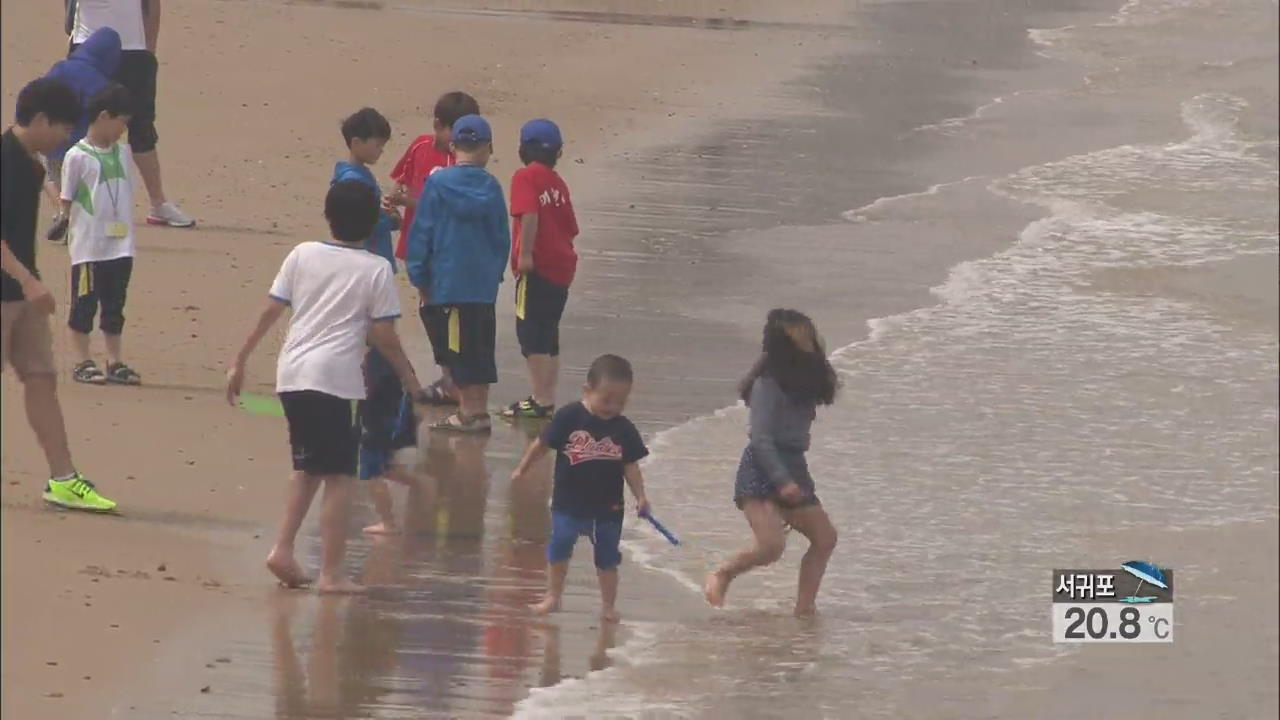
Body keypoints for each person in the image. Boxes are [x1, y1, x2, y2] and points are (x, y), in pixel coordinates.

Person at [225, 180, 430, 593]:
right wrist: (410, 378)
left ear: (327, 215)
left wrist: (240, 361)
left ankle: (283, 549)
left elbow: (271, 310)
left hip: (294, 376)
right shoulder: (376, 269)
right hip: (336, 382)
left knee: (308, 468)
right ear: (375, 221)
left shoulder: (302, 254)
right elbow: (383, 335)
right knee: (339, 476)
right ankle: (332, 574)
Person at [1, 77, 117, 512]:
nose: (66, 137)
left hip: (21, 292)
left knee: (41, 379)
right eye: (64, 128)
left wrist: (58, 203)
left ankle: (63, 478)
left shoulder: (29, 158)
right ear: (41, 119)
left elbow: (40, 185)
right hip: (12, 287)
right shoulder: (4, 160)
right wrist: (30, 282)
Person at [703, 309, 839, 617]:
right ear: (783, 345)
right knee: (771, 546)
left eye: (809, 333)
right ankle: (723, 574)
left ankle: (805, 609)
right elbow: (761, 438)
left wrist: (793, 478)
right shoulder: (767, 384)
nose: (809, 339)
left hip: (794, 465)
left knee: (825, 538)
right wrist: (781, 479)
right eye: (800, 334)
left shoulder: (807, 379)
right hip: (762, 467)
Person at [330, 107, 418, 535]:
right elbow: (361, 219)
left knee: (377, 353)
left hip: (372, 268)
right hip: (370, 271)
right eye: (379, 142)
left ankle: (387, 442)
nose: (382, 149)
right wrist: (390, 217)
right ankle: (383, 445)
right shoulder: (352, 179)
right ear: (358, 141)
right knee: (378, 354)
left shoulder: (356, 176)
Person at [511, 354, 652, 623]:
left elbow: (630, 466)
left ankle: (608, 606)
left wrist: (641, 497)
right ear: (587, 391)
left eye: (620, 402)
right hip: (568, 503)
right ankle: (553, 597)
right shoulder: (569, 417)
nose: (612, 407)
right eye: (606, 399)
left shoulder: (623, 429)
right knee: (560, 547)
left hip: (608, 509)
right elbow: (542, 444)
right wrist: (522, 468)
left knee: (608, 558)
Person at [405, 114, 509, 434]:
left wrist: (419, 275)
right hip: (481, 285)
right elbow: (501, 237)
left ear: (453, 146)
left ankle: (468, 412)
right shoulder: (491, 186)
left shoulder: (437, 183)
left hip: (448, 283)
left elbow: (422, 233)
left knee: (456, 347)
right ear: (487, 148)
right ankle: (478, 410)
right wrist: (494, 274)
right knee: (480, 346)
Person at [388, 91, 480, 405]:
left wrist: (407, 201)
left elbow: (443, 205)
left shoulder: (464, 160)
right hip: (419, 244)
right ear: (438, 125)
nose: (456, 142)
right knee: (430, 306)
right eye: (452, 133)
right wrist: (394, 202)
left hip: (449, 248)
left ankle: (453, 377)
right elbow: (400, 181)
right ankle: (449, 375)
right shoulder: (420, 146)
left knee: (445, 310)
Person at [68, 0, 195, 227]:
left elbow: (152, 6)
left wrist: (148, 50)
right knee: (81, 124)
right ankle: (73, 205)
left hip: (134, 51)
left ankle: (158, 203)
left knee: (141, 125)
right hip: (87, 47)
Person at [61, 83, 142, 386]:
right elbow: (66, 200)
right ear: (105, 116)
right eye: (122, 121)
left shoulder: (124, 152)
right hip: (89, 246)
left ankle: (114, 360)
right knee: (84, 304)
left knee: (114, 306)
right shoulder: (77, 156)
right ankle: (82, 360)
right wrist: (63, 222)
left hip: (121, 246)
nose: (124, 129)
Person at [502, 119, 579, 420]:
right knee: (549, 332)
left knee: (530, 332)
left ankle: (541, 399)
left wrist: (525, 255)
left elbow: (529, 215)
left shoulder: (525, 177)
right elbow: (571, 228)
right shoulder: (558, 183)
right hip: (562, 267)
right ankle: (547, 395)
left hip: (538, 267)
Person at [41, 26, 121, 211]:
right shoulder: (102, 85)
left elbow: (43, 94)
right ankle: (73, 220)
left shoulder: (61, 68)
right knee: (82, 191)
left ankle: (62, 213)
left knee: (53, 180)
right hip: (84, 149)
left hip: (53, 143)